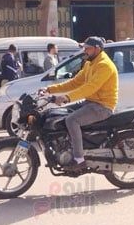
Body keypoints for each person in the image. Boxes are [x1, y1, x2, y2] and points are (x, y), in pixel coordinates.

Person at [43, 36, 118, 171]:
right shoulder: (90, 63)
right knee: (58, 114)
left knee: (72, 120)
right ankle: (67, 148)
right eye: (84, 48)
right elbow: (75, 82)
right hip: (90, 103)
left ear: (97, 49)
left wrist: (67, 97)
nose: (85, 51)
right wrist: (50, 89)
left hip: (102, 106)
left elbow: (90, 87)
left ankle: (79, 160)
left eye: (87, 48)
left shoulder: (104, 65)